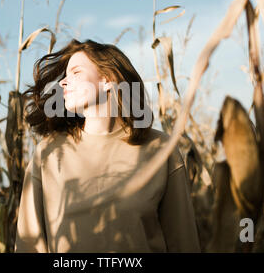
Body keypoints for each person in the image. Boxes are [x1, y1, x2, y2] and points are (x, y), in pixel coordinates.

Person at [14, 39, 201, 253]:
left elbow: (183, 241)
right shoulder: (49, 153)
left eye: (75, 73)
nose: (63, 82)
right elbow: (28, 244)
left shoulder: (160, 148)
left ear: (107, 79)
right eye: (65, 76)